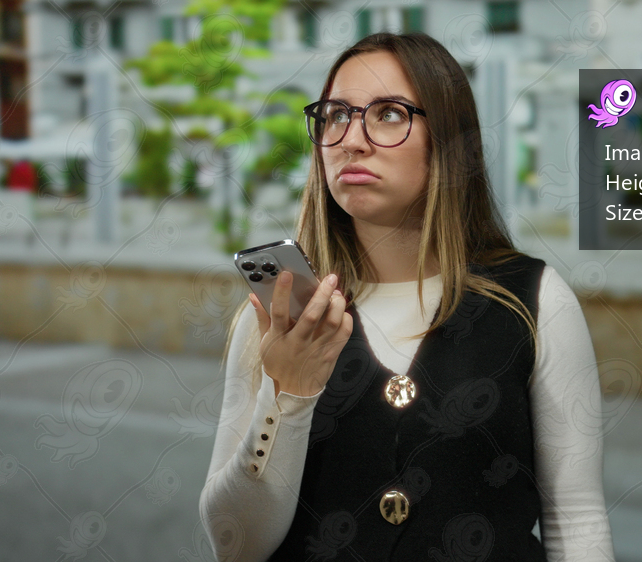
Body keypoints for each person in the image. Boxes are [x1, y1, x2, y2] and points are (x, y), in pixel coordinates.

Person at [200, 32, 614, 561]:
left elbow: (576, 520)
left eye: (389, 114)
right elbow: (236, 546)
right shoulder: (277, 317)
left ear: (447, 140)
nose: (351, 140)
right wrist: (287, 396)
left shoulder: (534, 301)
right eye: (335, 115)